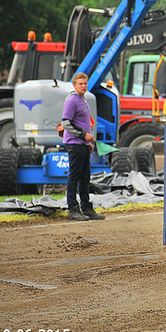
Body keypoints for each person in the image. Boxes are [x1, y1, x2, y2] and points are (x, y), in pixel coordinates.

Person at [62, 72, 105, 221]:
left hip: (83, 144)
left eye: (85, 83)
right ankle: (72, 208)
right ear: (75, 85)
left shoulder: (83, 100)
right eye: (80, 84)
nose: (83, 86)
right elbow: (66, 123)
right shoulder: (72, 100)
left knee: (85, 177)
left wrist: (87, 143)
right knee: (74, 176)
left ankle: (86, 207)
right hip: (74, 144)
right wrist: (83, 136)